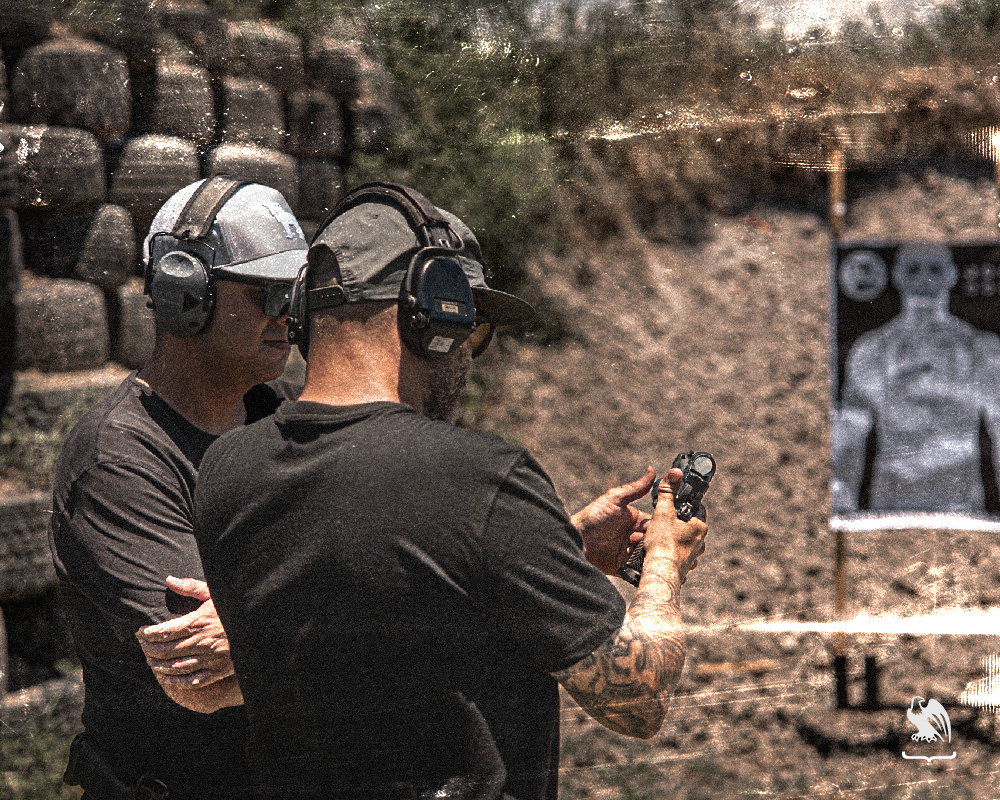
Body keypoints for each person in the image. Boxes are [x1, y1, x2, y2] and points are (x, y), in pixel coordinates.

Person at [193, 181, 710, 800]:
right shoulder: (478, 478)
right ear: (433, 310)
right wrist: (663, 563)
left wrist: (558, 547)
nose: (470, 355)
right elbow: (638, 697)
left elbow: (379, 598)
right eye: (472, 326)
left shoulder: (226, 471)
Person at [48, 176, 309, 799]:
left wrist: (261, 612)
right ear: (182, 292)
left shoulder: (286, 416)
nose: (287, 316)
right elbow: (207, 673)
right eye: (267, 292)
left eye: (293, 294)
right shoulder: (118, 460)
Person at [832, 242, 1000, 512]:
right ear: (897, 275)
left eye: (935, 268)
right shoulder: (874, 349)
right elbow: (851, 426)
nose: (925, 278)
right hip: (891, 494)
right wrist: (841, 487)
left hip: (961, 495)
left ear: (952, 274)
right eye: (913, 269)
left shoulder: (980, 348)